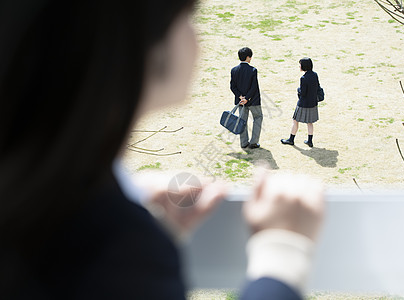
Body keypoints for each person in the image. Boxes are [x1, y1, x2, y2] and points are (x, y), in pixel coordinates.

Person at [0, 1, 324, 299]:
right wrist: (282, 253)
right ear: (139, 45)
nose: (199, 42)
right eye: (186, 17)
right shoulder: (115, 251)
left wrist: (141, 214)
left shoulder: (35, 189)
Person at [281, 57, 321, 147]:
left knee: (295, 121)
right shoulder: (315, 75)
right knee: (310, 122)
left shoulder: (303, 78)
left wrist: (298, 89)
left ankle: (291, 139)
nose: (299, 66)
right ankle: (310, 141)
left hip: (303, 104)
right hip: (313, 103)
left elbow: (303, 92)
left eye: (300, 65)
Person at [230, 47, 263, 149]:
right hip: (253, 101)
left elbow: (232, 86)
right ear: (248, 57)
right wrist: (247, 98)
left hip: (240, 101)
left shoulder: (234, 70)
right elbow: (254, 87)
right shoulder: (253, 70)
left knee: (242, 121)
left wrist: (241, 97)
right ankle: (254, 142)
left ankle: (244, 143)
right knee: (258, 118)